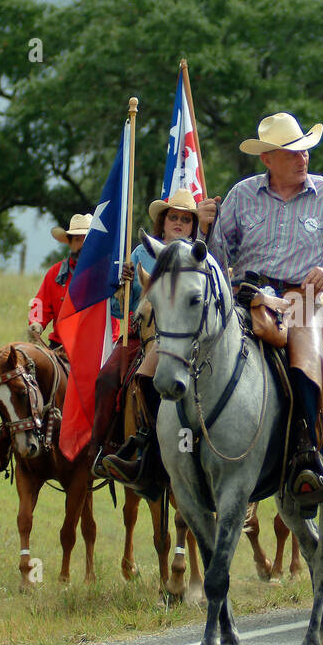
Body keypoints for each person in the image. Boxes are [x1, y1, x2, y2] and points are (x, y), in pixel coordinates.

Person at [198, 111, 323, 506]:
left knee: (305, 356)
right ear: (267, 159)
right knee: (188, 343)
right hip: (244, 295)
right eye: (292, 153)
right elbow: (217, 257)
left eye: (304, 151)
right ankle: (166, 442)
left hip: (299, 298)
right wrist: (204, 228)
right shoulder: (241, 195)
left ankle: (307, 448)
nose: (303, 158)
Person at [96, 188, 201, 484]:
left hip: (183, 339)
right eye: (173, 217)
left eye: (185, 219)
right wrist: (123, 285)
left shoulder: (198, 257)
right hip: (141, 335)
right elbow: (119, 309)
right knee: (106, 379)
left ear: (193, 225)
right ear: (163, 222)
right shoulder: (141, 254)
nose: (178, 223)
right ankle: (113, 447)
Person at [28, 213, 122, 356]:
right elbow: (40, 304)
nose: (83, 245)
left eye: (88, 239)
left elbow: (127, 308)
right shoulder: (55, 273)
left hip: (102, 349)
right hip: (61, 348)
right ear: (70, 243)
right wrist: (36, 323)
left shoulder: (111, 273)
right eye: (77, 239)